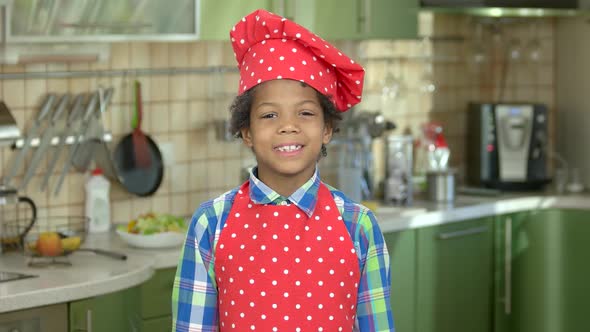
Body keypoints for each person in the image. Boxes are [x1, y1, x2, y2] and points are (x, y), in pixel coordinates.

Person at [172, 8, 394, 332]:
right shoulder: (211, 224)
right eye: (269, 116)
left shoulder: (358, 226)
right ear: (246, 131)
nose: (288, 126)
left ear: (327, 129)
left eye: (305, 113)